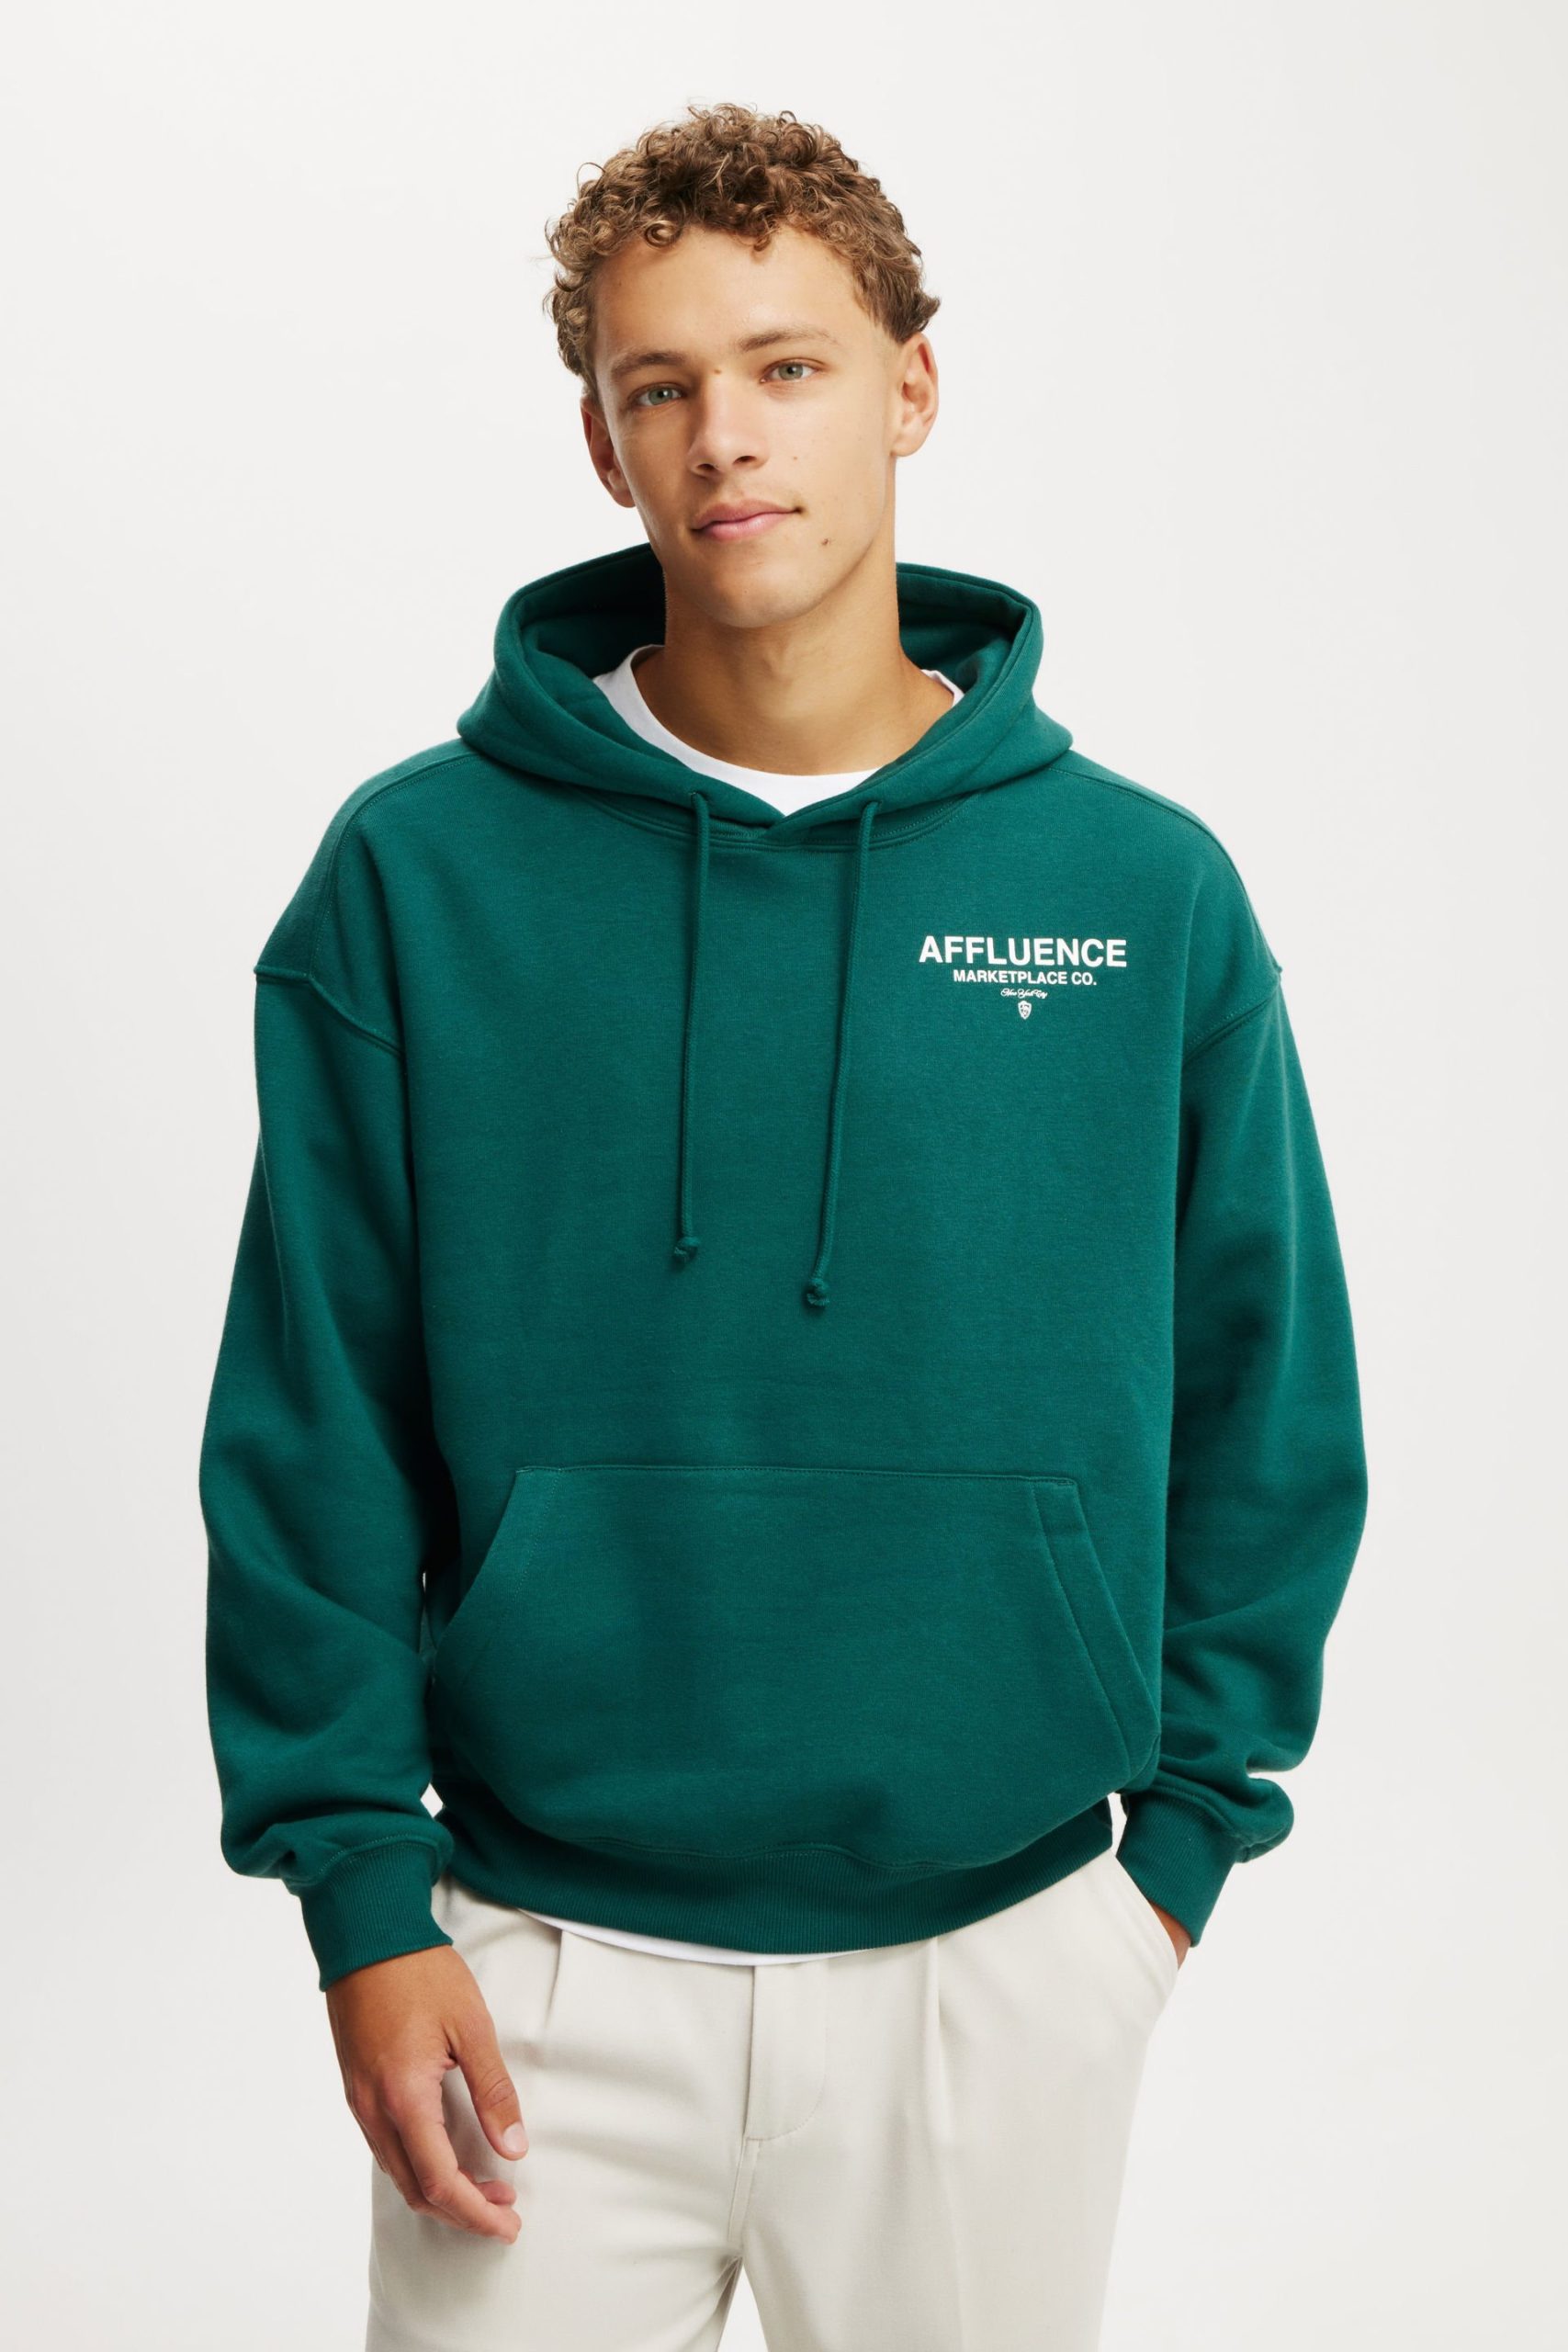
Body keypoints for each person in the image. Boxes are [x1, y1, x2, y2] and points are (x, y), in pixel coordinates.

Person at [199, 99, 1368, 2352]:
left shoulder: (1138, 892)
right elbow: (310, 1412)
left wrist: (1172, 1860)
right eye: (660, 385)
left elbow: (1267, 1402)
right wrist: (360, 1890)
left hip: (996, 1961)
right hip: (529, 1962)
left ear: (909, 385)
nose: (724, 434)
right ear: (601, 440)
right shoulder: (416, 877)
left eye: (786, 365)